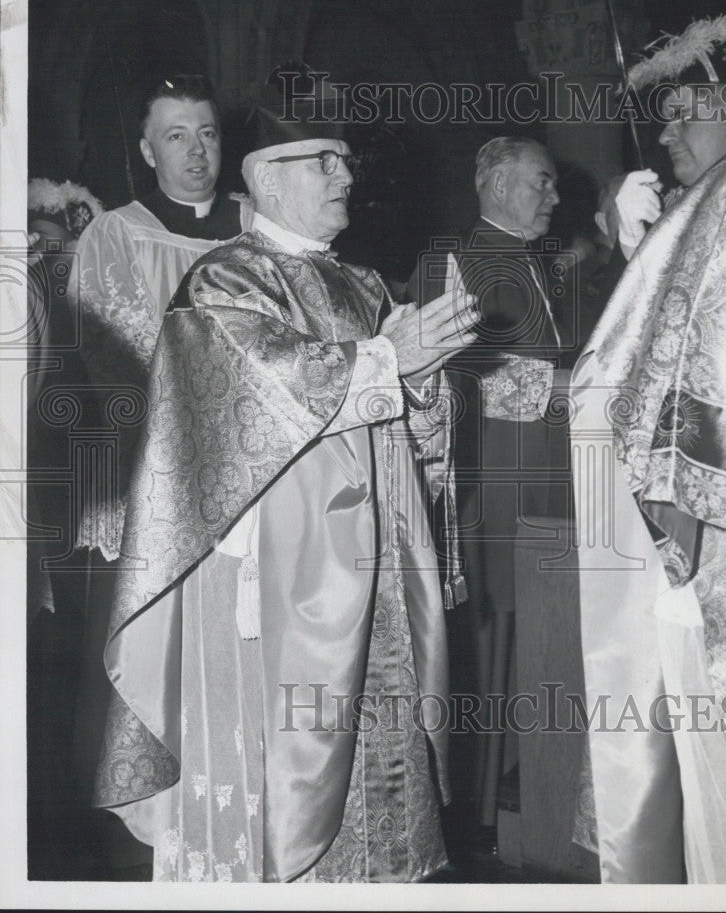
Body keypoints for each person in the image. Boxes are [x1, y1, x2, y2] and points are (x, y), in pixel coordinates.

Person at [92, 68, 480, 882]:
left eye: (344, 159)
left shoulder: (363, 283)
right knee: (290, 794)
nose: (346, 176)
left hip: (371, 574)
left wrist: (421, 380)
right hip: (279, 586)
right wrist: (383, 361)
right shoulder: (226, 280)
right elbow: (255, 394)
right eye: (324, 160)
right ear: (267, 176)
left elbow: (406, 441)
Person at [569, 15, 726, 883]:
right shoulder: (709, 204)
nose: (668, 131)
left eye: (687, 111)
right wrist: (642, 253)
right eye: (664, 114)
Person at [62, 74, 249, 877]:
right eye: (175, 135)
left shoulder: (262, 225)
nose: (196, 152)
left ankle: (239, 797)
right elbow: (112, 360)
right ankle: (147, 817)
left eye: (205, 132)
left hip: (259, 479)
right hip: (157, 478)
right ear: (146, 150)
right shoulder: (116, 236)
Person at [407, 136, 569, 856]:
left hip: (548, 471)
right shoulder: (455, 262)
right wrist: (569, 386)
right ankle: (487, 793)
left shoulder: (536, 264)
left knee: (544, 619)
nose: (553, 196)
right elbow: (450, 380)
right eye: (543, 182)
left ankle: (538, 777)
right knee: (501, 622)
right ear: (500, 185)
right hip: (492, 477)